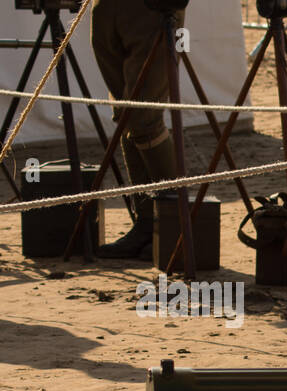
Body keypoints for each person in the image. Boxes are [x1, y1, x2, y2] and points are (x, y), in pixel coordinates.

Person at [91, 0, 186, 258]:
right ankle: (146, 225)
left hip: (152, 8)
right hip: (107, 8)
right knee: (126, 116)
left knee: (144, 118)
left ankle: (177, 229)